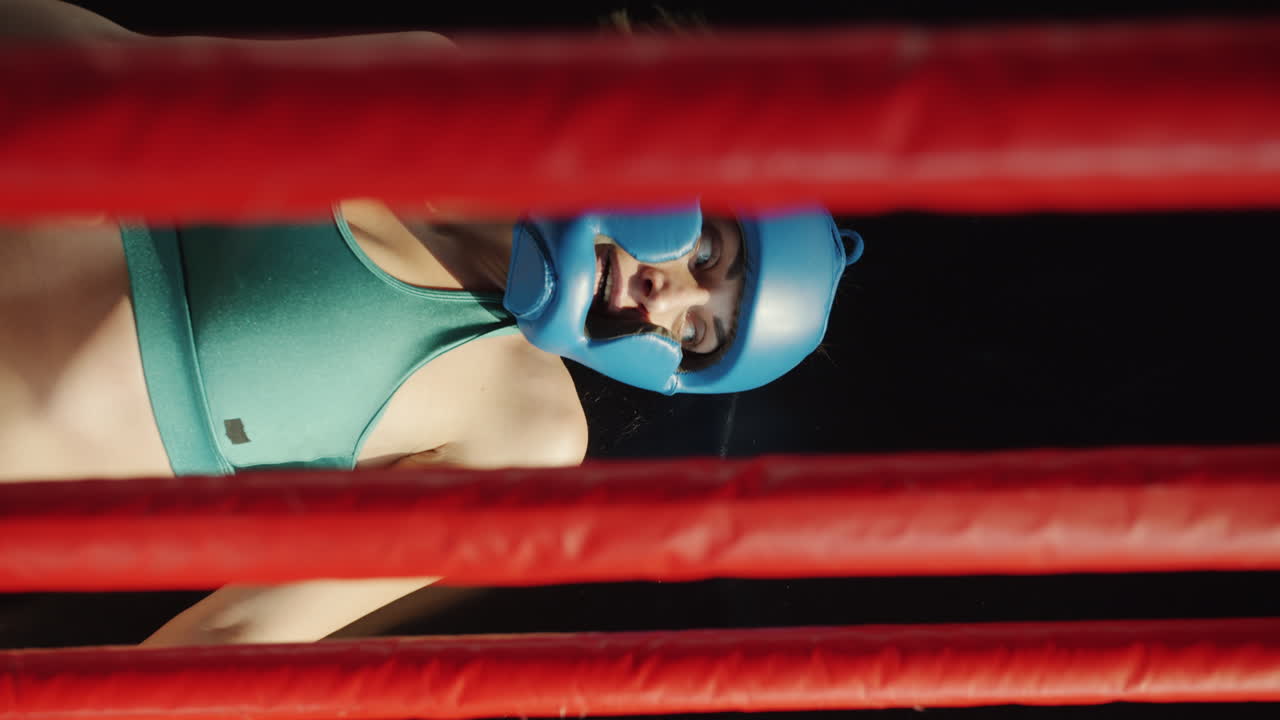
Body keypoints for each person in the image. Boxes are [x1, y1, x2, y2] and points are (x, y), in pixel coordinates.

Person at [0, 0, 863, 645]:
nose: (664, 300)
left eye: (696, 335)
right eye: (708, 253)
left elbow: (236, 635)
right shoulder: (439, 93)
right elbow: (130, 88)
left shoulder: (522, 429)